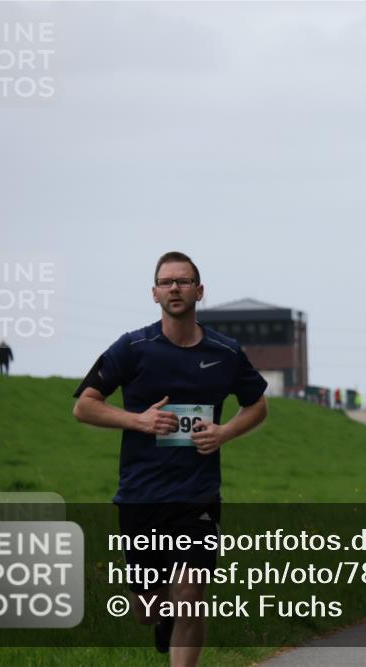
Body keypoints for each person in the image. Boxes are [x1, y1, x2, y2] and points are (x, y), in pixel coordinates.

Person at [71, 251, 269, 662]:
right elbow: (84, 406)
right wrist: (139, 421)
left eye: (183, 281)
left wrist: (224, 432)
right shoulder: (132, 347)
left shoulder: (226, 351)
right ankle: (164, 619)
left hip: (198, 494)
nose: (174, 288)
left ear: (199, 290)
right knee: (149, 609)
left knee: (191, 595)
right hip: (141, 495)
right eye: (166, 282)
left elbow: (257, 405)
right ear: (154, 293)